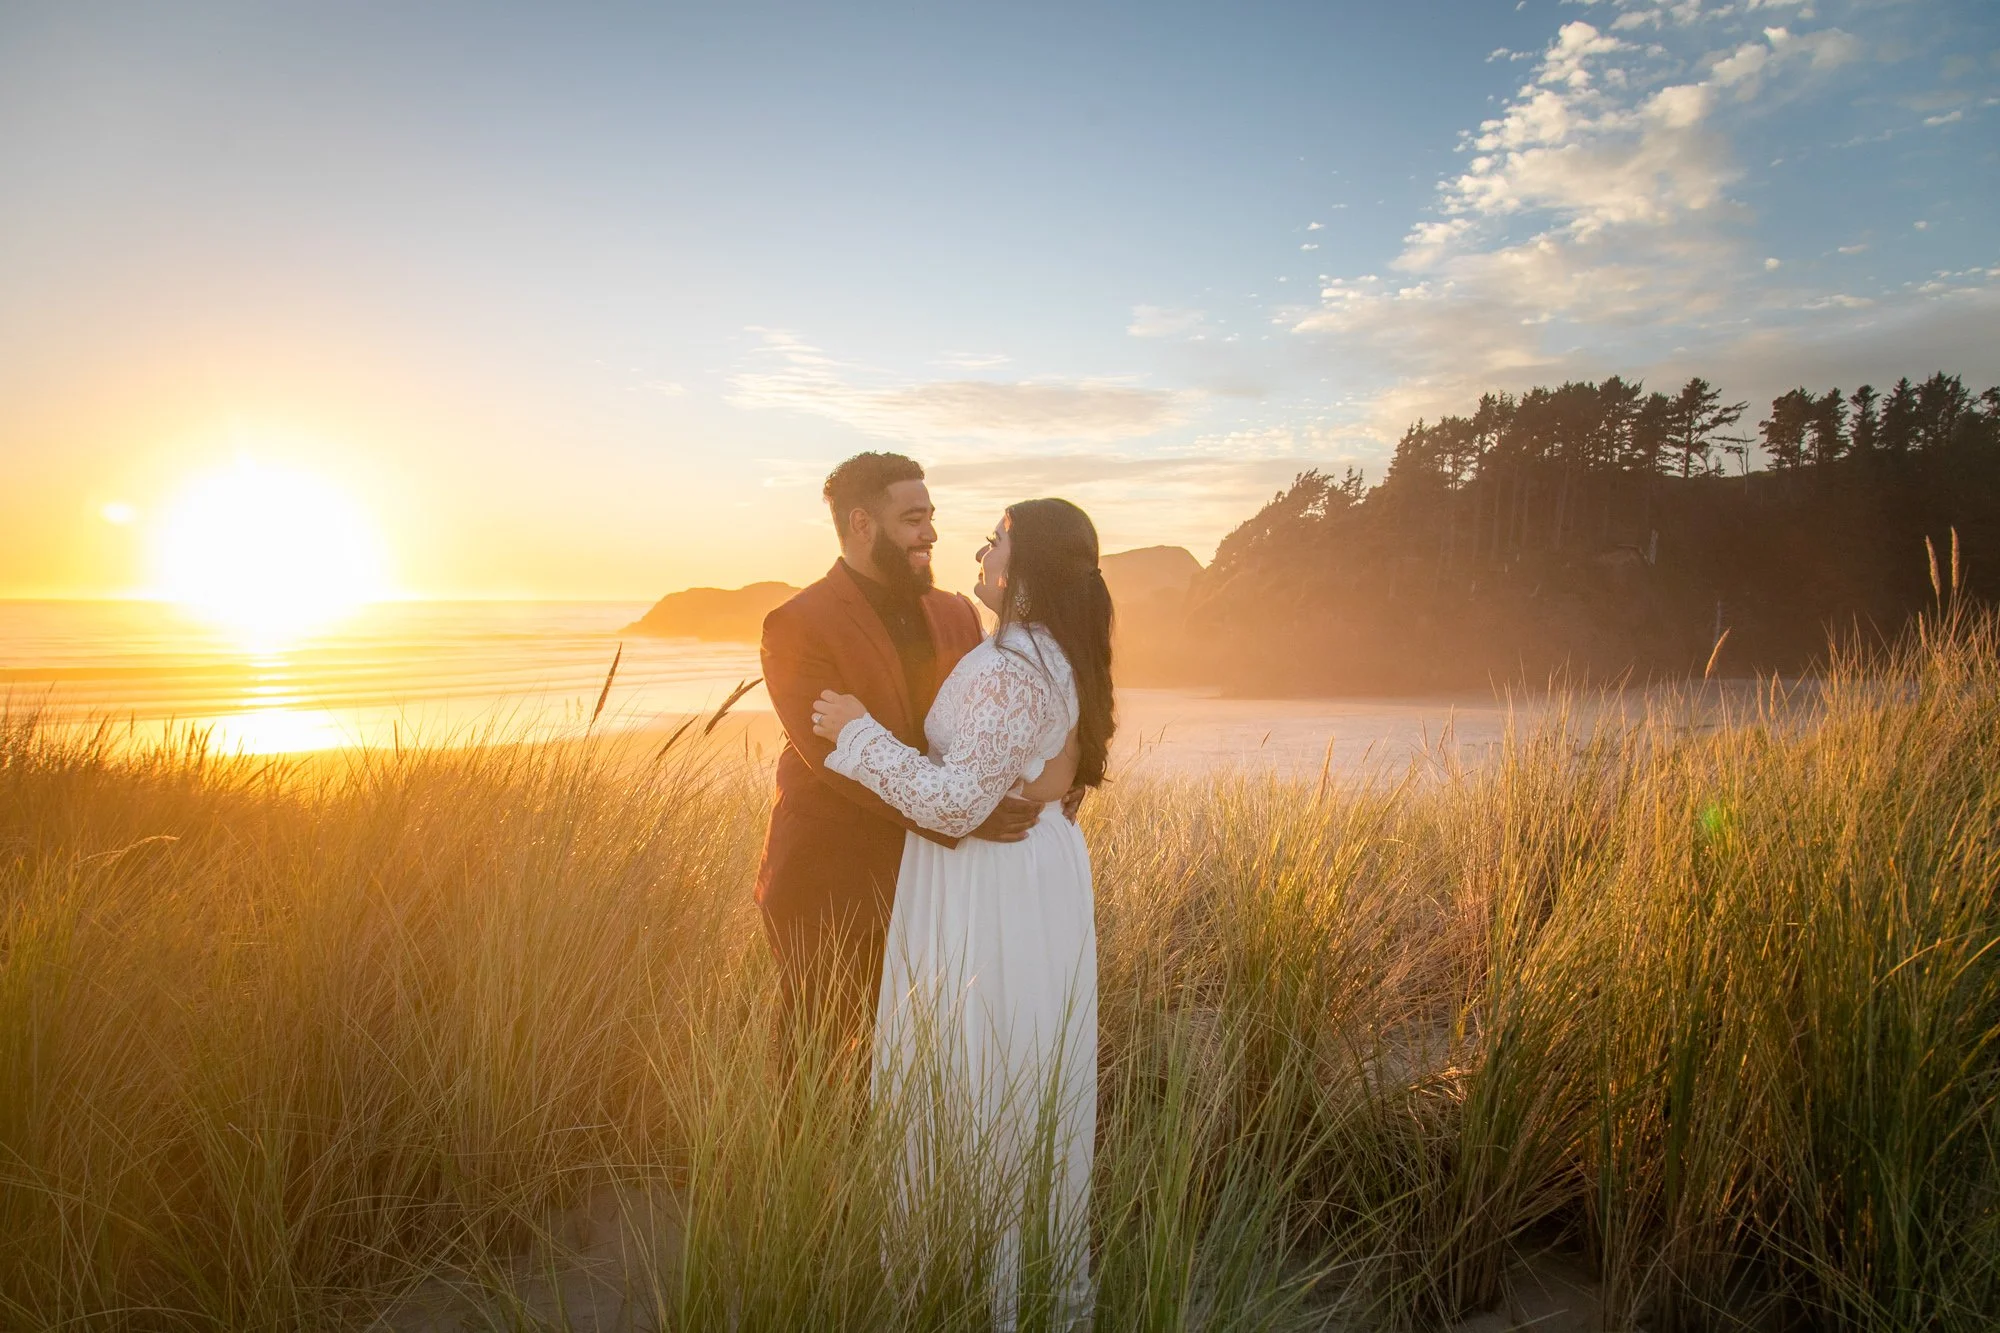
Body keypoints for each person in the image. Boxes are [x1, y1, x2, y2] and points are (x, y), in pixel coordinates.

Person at [811, 497, 1113, 1329]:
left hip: (993, 884)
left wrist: (858, 732)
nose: (980, 550)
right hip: (1027, 874)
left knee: (981, 1066)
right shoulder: (1048, 650)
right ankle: (999, 1267)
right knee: (1007, 1059)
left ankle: (979, 1287)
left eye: (997, 540)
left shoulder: (1015, 665)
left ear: (1025, 568)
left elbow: (950, 806)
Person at [755, 452, 1053, 1059]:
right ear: (862, 524)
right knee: (816, 1067)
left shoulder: (956, 611)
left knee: (915, 1068)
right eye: (914, 519)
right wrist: (966, 815)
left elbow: (990, 724)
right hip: (831, 886)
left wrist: (1044, 780)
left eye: (932, 516)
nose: (932, 534)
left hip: (940, 882)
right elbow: (831, 761)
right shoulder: (796, 623)